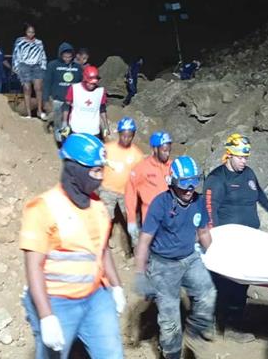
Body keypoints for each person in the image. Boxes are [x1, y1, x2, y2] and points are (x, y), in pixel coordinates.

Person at [19, 133, 126, 358]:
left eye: (102, 171)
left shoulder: (98, 206)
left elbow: (103, 249)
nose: (100, 178)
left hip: (96, 297)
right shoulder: (43, 208)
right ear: (74, 170)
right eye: (95, 171)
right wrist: (46, 316)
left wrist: (116, 287)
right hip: (58, 302)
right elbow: (34, 266)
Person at [133, 155, 216, 359]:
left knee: (208, 293)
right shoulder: (160, 204)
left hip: (190, 258)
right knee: (170, 319)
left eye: (193, 183)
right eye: (184, 184)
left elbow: (204, 232)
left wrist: (215, 257)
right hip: (164, 264)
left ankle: (194, 333)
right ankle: (172, 353)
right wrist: (140, 273)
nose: (189, 189)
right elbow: (144, 240)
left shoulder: (198, 202)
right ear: (172, 182)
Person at [204, 133, 268, 342]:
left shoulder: (248, 174)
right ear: (229, 155)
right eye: (240, 157)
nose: (244, 161)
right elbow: (209, 210)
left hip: (248, 240)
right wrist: (214, 240)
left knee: (242, 283)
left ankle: (233, 326)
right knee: (223, 284)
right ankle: (215, 322)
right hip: (227, 242)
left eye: (246, 157)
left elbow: (259, 194)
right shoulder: (216, 179)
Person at [124, 131, 173, 248]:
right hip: (151, 218)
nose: (167, 154)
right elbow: (130, 193)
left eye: (169, 150)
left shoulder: (173, 166)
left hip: (171, 216)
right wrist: (131, 220)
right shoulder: (142, 168)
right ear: (155, 149)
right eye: (164, 150)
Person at [99, 117, 144, 244]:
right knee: (104, 218)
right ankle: (102, 244)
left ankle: (137, 247)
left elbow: (139, 176)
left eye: (129, 136)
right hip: (107, 190)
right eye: (123, 135)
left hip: (127, 193)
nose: (126, 139)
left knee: (131, 220)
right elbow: (98, 165)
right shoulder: (107, 148)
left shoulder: (137, 155)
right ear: (119, 134)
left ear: (133, 135)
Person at [59, 65, 109, 141]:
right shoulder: (74, 88)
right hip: (76, 128)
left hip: (93, 130)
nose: (92, 85)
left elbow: (102, 110)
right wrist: (64, 122)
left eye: (94, 83)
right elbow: (66, 106)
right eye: (90, 83)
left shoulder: (100, 91)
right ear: (84, 79)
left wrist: (106, 126)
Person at [43, 42, 82, 134]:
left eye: (69, 57)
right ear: (60, 55)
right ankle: (58, 139)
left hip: (72, 102)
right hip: (57, 100)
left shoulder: (77, 67)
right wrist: (45, 99)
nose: (67, 59)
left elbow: (80, 84)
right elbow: (47, 83)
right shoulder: (53, 65)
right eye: (65, 57)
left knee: (71, 124)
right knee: (58, 124)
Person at [12, 24, 48, 119]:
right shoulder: (20, 41)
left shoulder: (39, 42)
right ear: (25, 32)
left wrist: (43, 66)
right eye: (29, 32)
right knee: (27, 89)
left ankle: (40, 111)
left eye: (32, 32)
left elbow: (43, 55)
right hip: (24, 65)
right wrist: (15, 67)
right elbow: (15, 54)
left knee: (38, 88)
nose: (31, 34)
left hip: (37, 66)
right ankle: (29, 114)